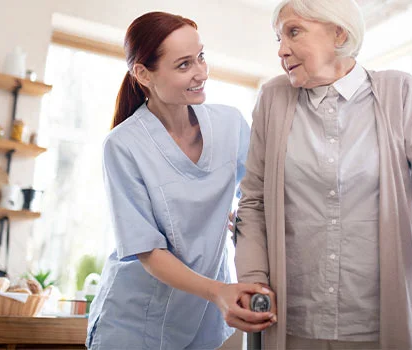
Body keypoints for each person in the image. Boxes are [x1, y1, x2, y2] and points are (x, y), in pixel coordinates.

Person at [234, 0, 412, 348]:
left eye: (293, 32)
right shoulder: (273, 99)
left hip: (378, 324)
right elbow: (253, 201)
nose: (282, 50)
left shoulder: (399, 93)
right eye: (278, 39)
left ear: (339, 33)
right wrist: (254, 281)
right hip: (293, 322)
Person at [86, 11, 274, 350]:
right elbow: (147, 250)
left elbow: (261, 197)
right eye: (184, 65)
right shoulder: (123, 145)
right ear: (143, 74)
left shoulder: (230, 125)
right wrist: (218, 291)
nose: (201, 72)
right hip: (133, 323)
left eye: (201, 57)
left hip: (202, 318)